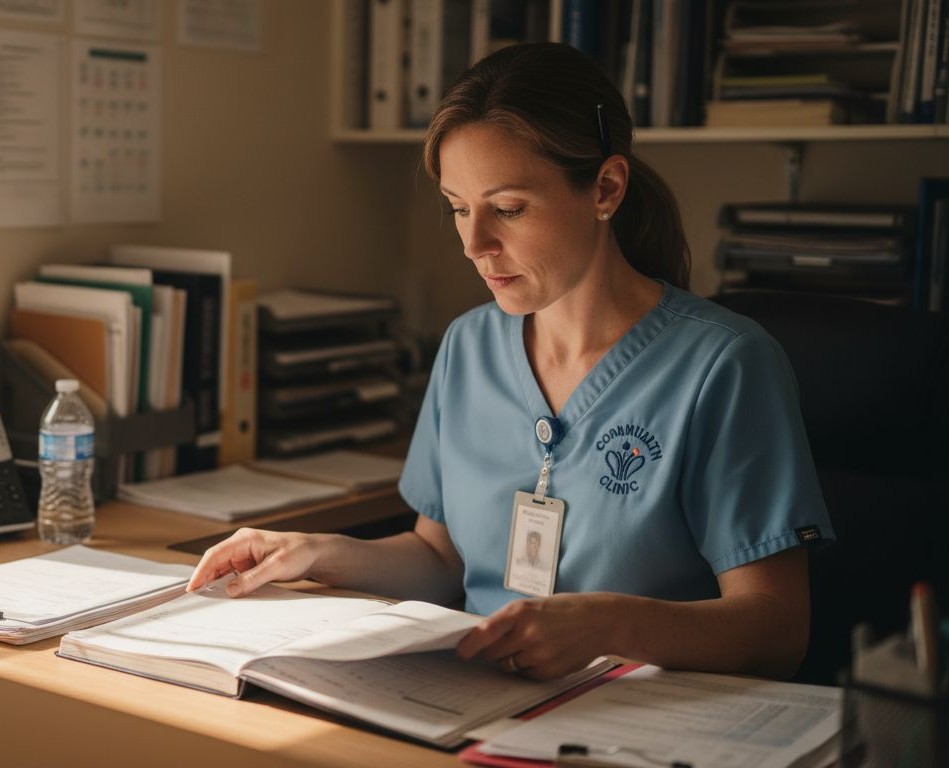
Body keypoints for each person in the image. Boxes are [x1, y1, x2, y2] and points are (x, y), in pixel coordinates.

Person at [187, 43, 832, 682]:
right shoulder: (468, 347)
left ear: (606, 188)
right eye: (459, 209)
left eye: (509, 209)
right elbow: (441, 559)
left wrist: (609, 626)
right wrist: (314, 552)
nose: (473, 244)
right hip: (478, 701)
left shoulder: (724, 364)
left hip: (638, 720)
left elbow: (777, 628)